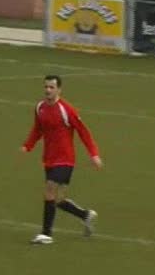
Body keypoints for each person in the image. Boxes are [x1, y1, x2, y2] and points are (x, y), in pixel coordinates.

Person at [21, 75, 104, 244]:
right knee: (58, 199)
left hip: (65, 159)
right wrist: (28, 145)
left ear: (59, 90)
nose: (48, 90)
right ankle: (86, 215)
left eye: (51, 87)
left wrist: (94, 154)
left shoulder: (67, 110)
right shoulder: (40, 108)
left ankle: (46, 234)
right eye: (46, 87)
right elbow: (38, 129)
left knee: (49, 190)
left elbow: (83, 132)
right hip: (49, 159)